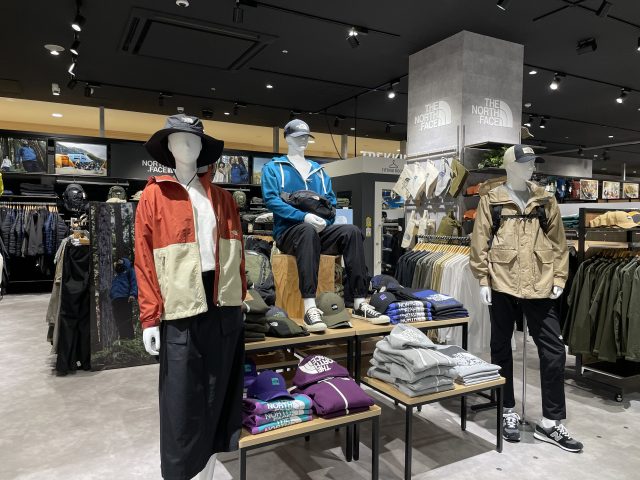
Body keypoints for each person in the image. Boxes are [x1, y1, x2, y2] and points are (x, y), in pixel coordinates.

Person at [135, 114, 246, 480]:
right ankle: (182, 472)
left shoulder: (222, 198)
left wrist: (241, 295)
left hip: (223, 306)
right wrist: (149, 318)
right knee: (181, 401)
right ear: (167, 147)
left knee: (219, 393)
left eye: (194, 140)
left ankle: (209, 469)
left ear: (203, 147)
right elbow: (144, 259)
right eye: (179, 139)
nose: (187, 146)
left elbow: (236, 252)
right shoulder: (153, 195)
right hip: (179, 307)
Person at [470, 144, 583, 452]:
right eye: (525, 163)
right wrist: (483, 278)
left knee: (553, 350)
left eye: (533, 163)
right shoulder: (491, 200)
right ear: (510, 165)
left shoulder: (545, 200)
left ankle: (551, 422)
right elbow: (480, 242)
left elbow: (559, 243)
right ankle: (506, 408)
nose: (531, 168)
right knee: (501, 346)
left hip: (539, 281)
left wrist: (559, 277)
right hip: (502, 281)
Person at [262, 119, 390, 331]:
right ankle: (310, 306)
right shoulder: (274, 168)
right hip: (289, 233)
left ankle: (359, 301)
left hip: (317, 232)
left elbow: (330, 204)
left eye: (306, 136)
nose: (303, 140)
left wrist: (326, 221)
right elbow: (271, 200)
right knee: (307, 231)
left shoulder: (318, 171)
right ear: (287, 138)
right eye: (298, 137)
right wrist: (303, 217)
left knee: (351, 231)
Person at [109, 258, 138, 339]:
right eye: (117, 262)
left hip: (125, 298)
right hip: (116, 300)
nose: (118, 263)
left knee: (126, 320)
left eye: (120, 261)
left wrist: (132, 294)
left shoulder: (129, 271)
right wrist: (111, 295)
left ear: (125, 262)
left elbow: (134, 282)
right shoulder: (117, 275)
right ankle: (123, 340)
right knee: (119, 321)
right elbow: (114, 287)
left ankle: (130, 340)